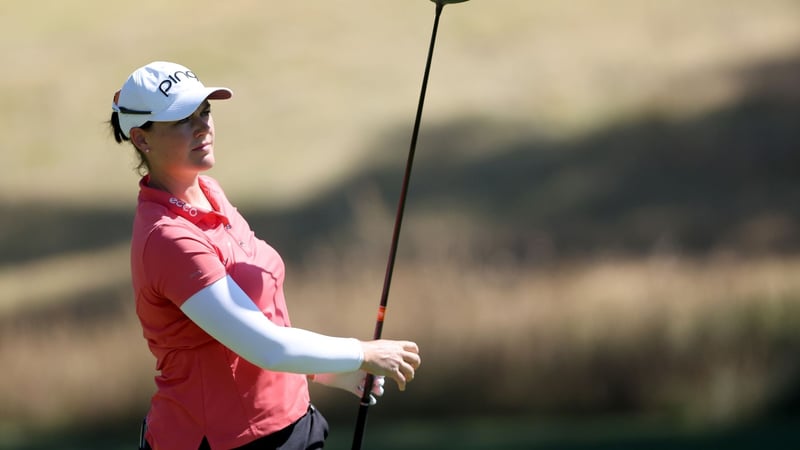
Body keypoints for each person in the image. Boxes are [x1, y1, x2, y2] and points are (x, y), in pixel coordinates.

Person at [109, 61, 421, 450]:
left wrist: (328, 373)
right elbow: (265, 345)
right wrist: (361, 353)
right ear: (141, 139)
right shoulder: (167, 238)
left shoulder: (208, 192)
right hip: (224, 441)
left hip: (292, 422)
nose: (203, 125)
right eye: (182, 119)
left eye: (204, 111)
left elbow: (254, 321)